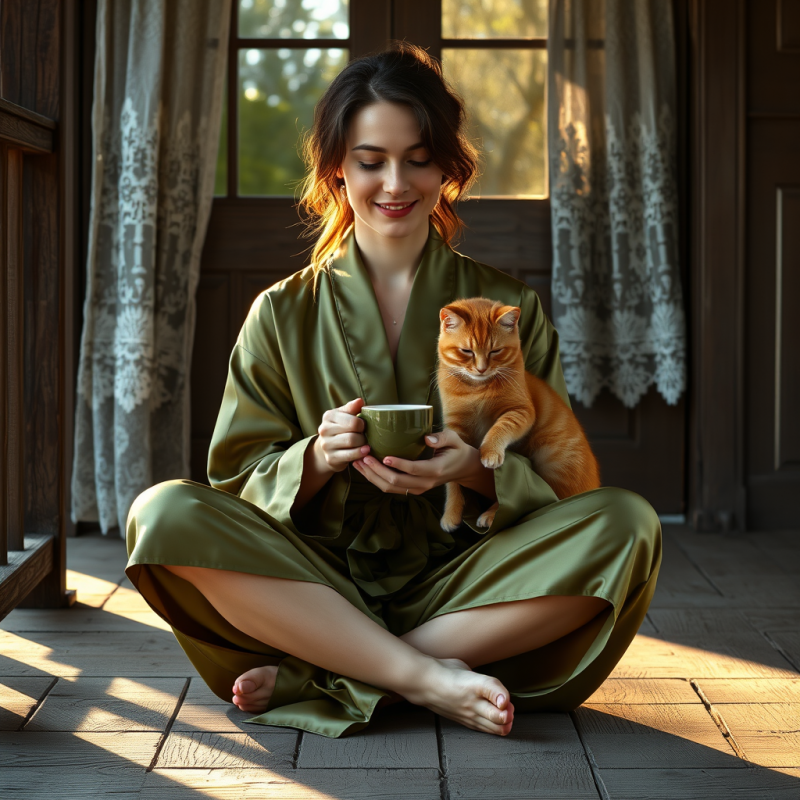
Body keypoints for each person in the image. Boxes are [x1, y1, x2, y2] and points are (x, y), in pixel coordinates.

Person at [125, 42, 662, 739]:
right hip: (318, 584)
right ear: (336, 170)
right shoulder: (281, 313)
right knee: (162, 514)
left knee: (628, 526)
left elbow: (562, 483)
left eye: (417, 158)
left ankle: (327, 673)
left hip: (468, 583)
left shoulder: (507, 309)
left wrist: (475, 469)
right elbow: (234, 490)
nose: (395, 183)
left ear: (447, 166)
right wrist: (315, 459)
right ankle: (425, 677)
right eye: (370, 161)